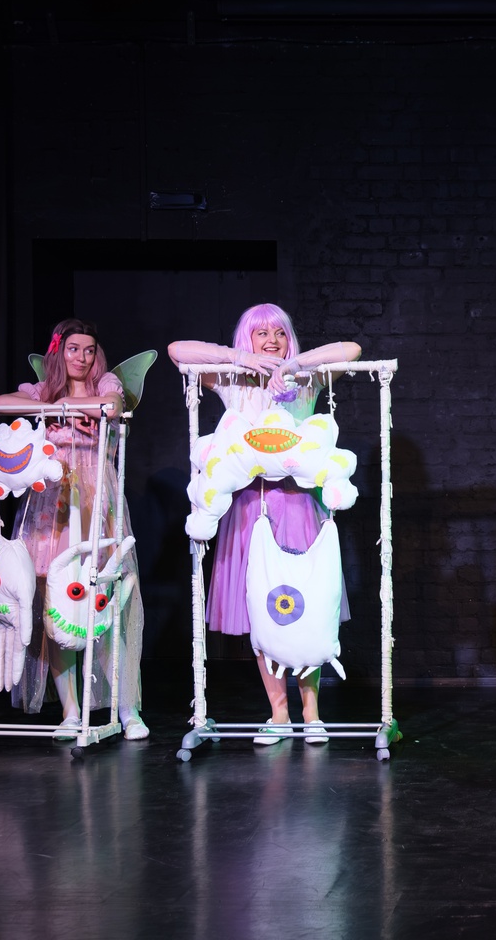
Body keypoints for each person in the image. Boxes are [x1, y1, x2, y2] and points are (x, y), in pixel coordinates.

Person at [168, 303, 361, 745]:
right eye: (261, 334)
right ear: (248, 339)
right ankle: (279, 714)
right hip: (249, 509)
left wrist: (292, 366)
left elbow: (351, 349)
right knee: (262, 610)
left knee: (306, 606)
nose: (271, 340)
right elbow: (177, 350)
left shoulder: (307, 379)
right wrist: (239, 359)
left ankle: (311, 713)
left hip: (297, 503)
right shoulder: (231, 379)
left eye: (279, 333)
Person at [0, 318, 149, 740]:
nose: (82, 357)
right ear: (59, 352)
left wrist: (68, 406)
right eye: (74, 349)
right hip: (53, 506)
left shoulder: (106, 384)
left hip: (94, 499)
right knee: (58, 606)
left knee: (104, 601)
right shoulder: (43, 391)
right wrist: (52, 406)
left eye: (89, 349)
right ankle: (69, 711)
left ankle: (127, 709)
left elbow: (111, 408)